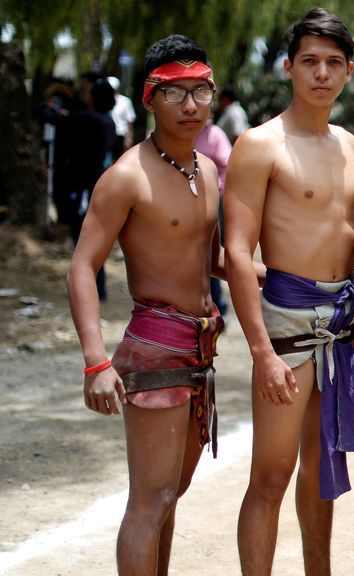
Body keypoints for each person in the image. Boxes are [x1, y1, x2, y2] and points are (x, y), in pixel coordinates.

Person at [67, 34, 226, 575]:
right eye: (174, 93)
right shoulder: (126, 177)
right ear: (148, 98)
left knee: (170, 497)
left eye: (199, 91)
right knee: (150, 499)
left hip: (200, 347)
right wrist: (96, 361)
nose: (189, 106)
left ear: (213, 93)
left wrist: (308, 280)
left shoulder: (206, 172)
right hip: (154, 345)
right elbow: (81, 266)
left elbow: (218, 261)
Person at [224, 8, 354, 575]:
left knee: (323, 466)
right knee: (271, 474)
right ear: (288, 68)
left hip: (341, 324)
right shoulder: (260, 145)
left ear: (348, 72)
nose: (321, 73)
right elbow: (237, 250)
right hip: (285, 325)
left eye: (333, 63)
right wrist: (260, 352)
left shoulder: (349, 143)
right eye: (309, 61)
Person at [54, 77, 119, 299]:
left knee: (82, 241)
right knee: (96, 240)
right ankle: (97, 286)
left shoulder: (80, 119)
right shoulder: (109, 123)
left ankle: (88, 287)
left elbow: (63, 142)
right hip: (101, 187)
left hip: (81, 187)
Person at [193, 121, 233, 317]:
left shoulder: (214, 134)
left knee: (209, 252)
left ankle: (217, 305)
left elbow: (227, 165)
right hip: (184, 200)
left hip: (210, 198)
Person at [108, 76, 137, 154]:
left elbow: (130, 121)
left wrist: (129, 138)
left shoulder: (125, 101)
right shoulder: (103, 102)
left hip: (120, 136)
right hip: (106, 136)